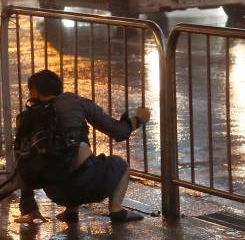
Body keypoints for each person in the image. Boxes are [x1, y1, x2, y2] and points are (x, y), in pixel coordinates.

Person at [13, 70, 151, 224]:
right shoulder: (74, 101)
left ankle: (70, 211)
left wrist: (29, 207)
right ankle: (116, 209)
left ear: (34, 92)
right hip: (90, 185)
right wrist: (139, 119)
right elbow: (119, 131)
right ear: (59, 88)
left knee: (59, 159)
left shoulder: (26, 118)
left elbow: (22, 161)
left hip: (55, 193)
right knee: (120, 164)